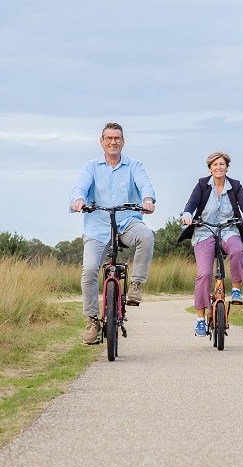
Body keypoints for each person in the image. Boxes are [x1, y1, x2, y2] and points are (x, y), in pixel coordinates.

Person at [70, 122, 156, 344]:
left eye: (117, 138)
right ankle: (92, 321)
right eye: (109, 138)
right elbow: (80, 186)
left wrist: (147, 200)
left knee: (146, 236)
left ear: (123, 141)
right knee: (89, 271)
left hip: (127, 222)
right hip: (98, 226)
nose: (113, 142)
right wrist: (78, 200)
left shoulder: (134, 165)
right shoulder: (91, 166)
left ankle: (136, 285)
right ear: (101, 141)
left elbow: (145, 185)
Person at [178, 151, 243, 337]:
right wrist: (187, 214)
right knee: (204, 274)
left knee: (237, 250)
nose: (218, 167)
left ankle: (236, 290)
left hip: (229, 230)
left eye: (222, 164)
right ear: (210, 168)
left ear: (227, 167)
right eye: (215, 165)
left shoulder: (235, 186)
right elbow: (192, 203)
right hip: (204, 230)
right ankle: (200, 320)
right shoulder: (202, 184)